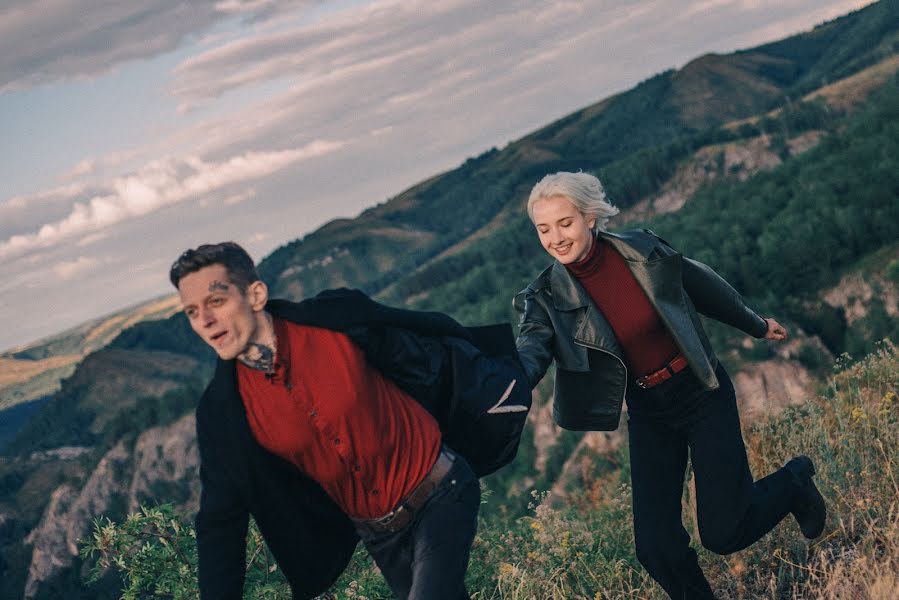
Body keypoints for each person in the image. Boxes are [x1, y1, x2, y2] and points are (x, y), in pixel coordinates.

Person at [513, 172, 826, 599]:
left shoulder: (642, 251)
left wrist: (755, 324)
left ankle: (793, 483)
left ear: (589, 218)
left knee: (723, 532)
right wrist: (512, 380)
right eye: (543, 229)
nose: (555, 238)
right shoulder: (545, 298)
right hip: (648, 411)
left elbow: (700, 286)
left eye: (564, 223)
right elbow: (532, 346)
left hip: (700, 389)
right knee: (656, 548)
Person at [170, 242, 530, 600]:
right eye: (191, 311)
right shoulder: (223, 414)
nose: (205, 320)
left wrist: (489, 394)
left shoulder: (336, 323)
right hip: (380, 536)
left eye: (216, 301)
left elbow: (426, 360)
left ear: (256, 294)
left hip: (442, 487)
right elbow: (220, 520)